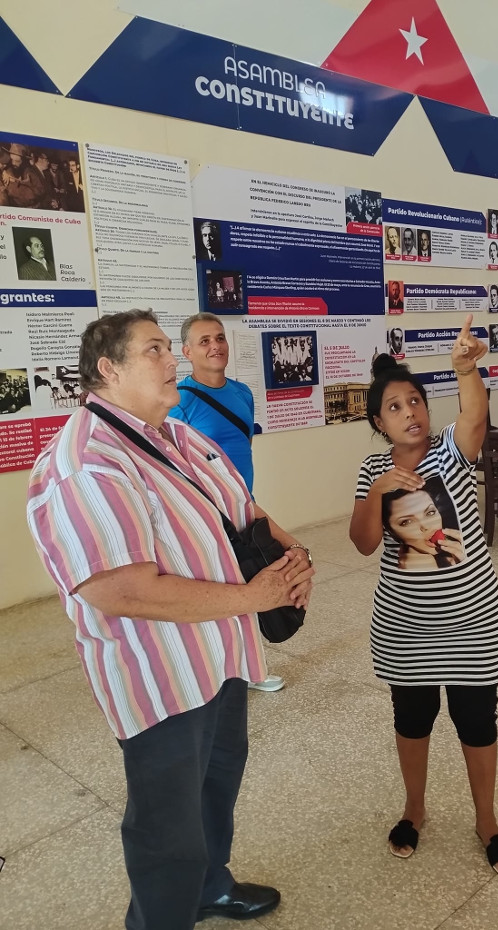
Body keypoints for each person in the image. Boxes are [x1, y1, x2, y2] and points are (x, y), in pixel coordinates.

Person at [26, 309, 314, 930]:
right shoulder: (86, 463)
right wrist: (254, 598)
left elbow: (245, 508)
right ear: (108, 369)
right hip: (161, 680)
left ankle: (211, 886)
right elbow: (121, 590)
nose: (175, 360)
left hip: (222, 659)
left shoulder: (176, 435)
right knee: (166, 824)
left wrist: (293, 556)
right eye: (155, 350)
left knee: (215, 789)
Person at [349, 316, 498, 875]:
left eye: (416, 401)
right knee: (413, 719)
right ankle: (414, 810)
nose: (411, 413)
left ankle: (487, 820)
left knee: (477, 722)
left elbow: (474, 414)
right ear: (379, 421)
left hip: (473, 622)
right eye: (395, 407)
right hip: (405, 627)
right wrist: (376, 492)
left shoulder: (451, 450)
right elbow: (364, 544)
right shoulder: (372, 471)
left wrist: (466, 368)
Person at [170, 312, 287, 692]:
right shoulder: (180, 401)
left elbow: (241, 448)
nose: (215, 346)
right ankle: (215, 671)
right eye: (204, 341)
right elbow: (178, 461)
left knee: (250, 580)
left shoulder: (242, 393)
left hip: (244, 505)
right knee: (221, 590)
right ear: (187, 350)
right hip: (206, 510)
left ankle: (249, 668)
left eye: (219, 338)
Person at [382, 476, 464, 570]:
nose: (425, 526)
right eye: (407, 522)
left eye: (430, 512)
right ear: (391, 531)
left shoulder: (452, 560)